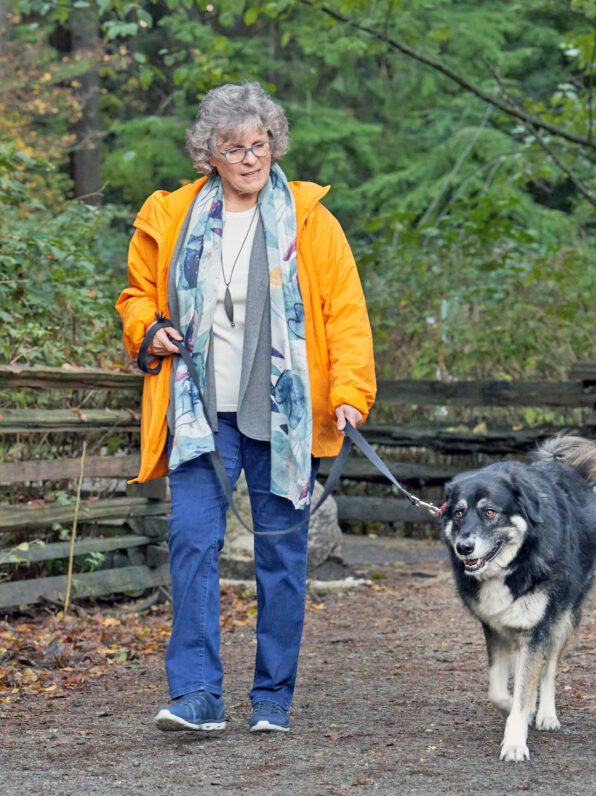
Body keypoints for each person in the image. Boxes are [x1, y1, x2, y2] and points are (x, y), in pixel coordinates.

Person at [116, 82, 376, 733]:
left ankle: (271, 699)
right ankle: (199, 694)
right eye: (235, 147)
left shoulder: (311, 221)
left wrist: (348, 394)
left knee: (282, 557)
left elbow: (344, 315)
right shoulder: (172, 216)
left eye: (259, 144)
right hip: (202, 414)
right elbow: (136, 295)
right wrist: (148, 329)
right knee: (193, 543)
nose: (251, 157)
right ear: (211, 154)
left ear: (274, 144)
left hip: (282, 418)